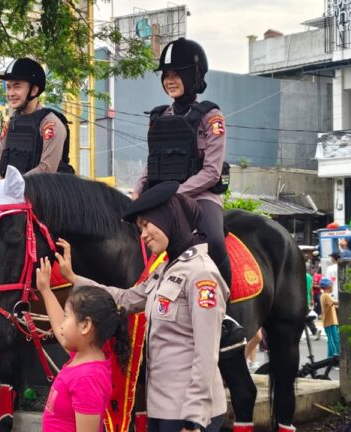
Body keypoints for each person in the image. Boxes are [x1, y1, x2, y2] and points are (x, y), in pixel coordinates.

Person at [56, 181, 228, 432]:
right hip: (162, 409)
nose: (143, 235)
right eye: (140, 229)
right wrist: (74, 278)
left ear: (168, 218)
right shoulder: (165, 270)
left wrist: (194, 419)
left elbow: (206, 352)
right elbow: (126, 299)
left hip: (189, 414)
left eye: (146, 225)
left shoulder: (201, 274)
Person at [131, 38, 231, 288]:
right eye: (166, 75)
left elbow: (211, 172)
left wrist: (174, 194)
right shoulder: (159, 117)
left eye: (177, 74)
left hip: (200, 197)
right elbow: (152, 162)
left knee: (214, 241)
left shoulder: (211, 117)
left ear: (193, 76)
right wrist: (137, 191)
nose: (170, 80)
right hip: (163, 196)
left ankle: (224, 301)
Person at [35, 259, 130, 432]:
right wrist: (45, 290)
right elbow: (60, 330)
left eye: (67, 316)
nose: (62, 325)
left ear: (85, 326)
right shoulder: (83, 357)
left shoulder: (87, 378)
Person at [0, 57, 74, 179]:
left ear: (34, 90)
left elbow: (47, 169)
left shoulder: (50, 124)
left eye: (17, 87)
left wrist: (12, 185)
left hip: (45, 191)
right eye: (8, 87)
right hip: (12, 190)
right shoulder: (10, 124)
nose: (10, 93)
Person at [319, 278, 340, 358]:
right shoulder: (325, 295)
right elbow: (334, 302)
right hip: (329, 322)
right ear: (329, 286)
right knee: (334, 340)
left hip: (332, 321)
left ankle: (330, 357)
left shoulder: (325, 296)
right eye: (332, 285)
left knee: (333, 339)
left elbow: (334, 306)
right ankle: (335, 356)